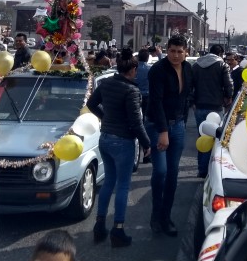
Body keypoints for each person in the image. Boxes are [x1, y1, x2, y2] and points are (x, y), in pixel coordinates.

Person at [87, 48, 151, 246]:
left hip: (105, 137)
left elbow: (91, 103)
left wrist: (105, 118)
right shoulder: (131, 90)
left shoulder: (106, 83)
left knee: (108, 183)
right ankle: (118, 229)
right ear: (133, 69)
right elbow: (136, 121)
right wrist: (147, 143)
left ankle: (99, 225)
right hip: (123, 140)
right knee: (123, 186)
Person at [146, 33, 192, 236]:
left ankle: (166, 217)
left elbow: (188, 95)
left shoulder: (189, 69)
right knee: (161, 172)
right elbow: (155, 102)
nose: (175, 55)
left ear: (186, 53)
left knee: (173, 174)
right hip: (158, 126)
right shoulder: (158, 70)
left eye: (179, 52)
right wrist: (163, 131)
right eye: (172, 51)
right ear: (167, 50)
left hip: (179, 125)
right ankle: (155, 216)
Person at [190, 43, 233, 178]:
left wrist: (192, 102)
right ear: (220, 54)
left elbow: (190, 86)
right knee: (215, 139)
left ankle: (201, 170)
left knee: (202, 137)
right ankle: (211, 171)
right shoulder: (222, 65)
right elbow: (228, 84)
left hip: (199, 106)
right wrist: (228, 97)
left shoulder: (196, 65)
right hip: (215, 107)